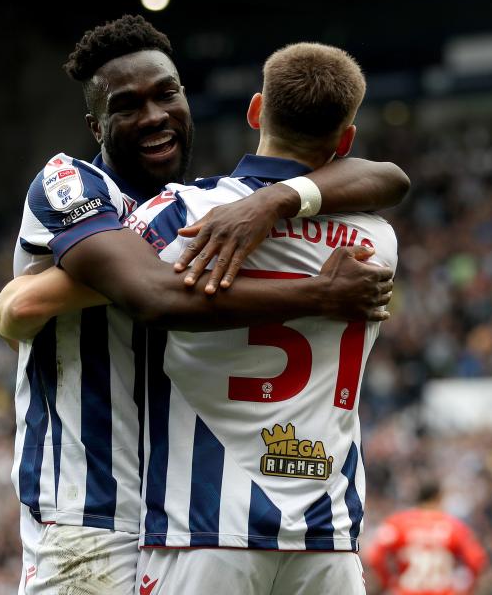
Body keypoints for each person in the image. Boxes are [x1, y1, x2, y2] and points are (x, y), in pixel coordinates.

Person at [0, 15, 410, 595]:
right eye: (128, 105)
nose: (154, 116)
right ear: (95, 124)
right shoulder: (72, 186)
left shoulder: (206, 209)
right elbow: (150, 294)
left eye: (167, 94)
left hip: (188, 508)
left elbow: (388, 176)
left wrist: (276, 199)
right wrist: (321, 290)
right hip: (94, 506)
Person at [103, 42, 395, 594]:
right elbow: (384, 179)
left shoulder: (180, 216)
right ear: (347, 140)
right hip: (326, 538)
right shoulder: (377, 241)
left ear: (256, 111)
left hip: (203, 532)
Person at [365, 479, 487, 595]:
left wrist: (389, 583)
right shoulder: (454, 525)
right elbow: (476, 560)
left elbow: (374, 556)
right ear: (439, 498)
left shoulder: (398, 523)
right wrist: (466, 590)